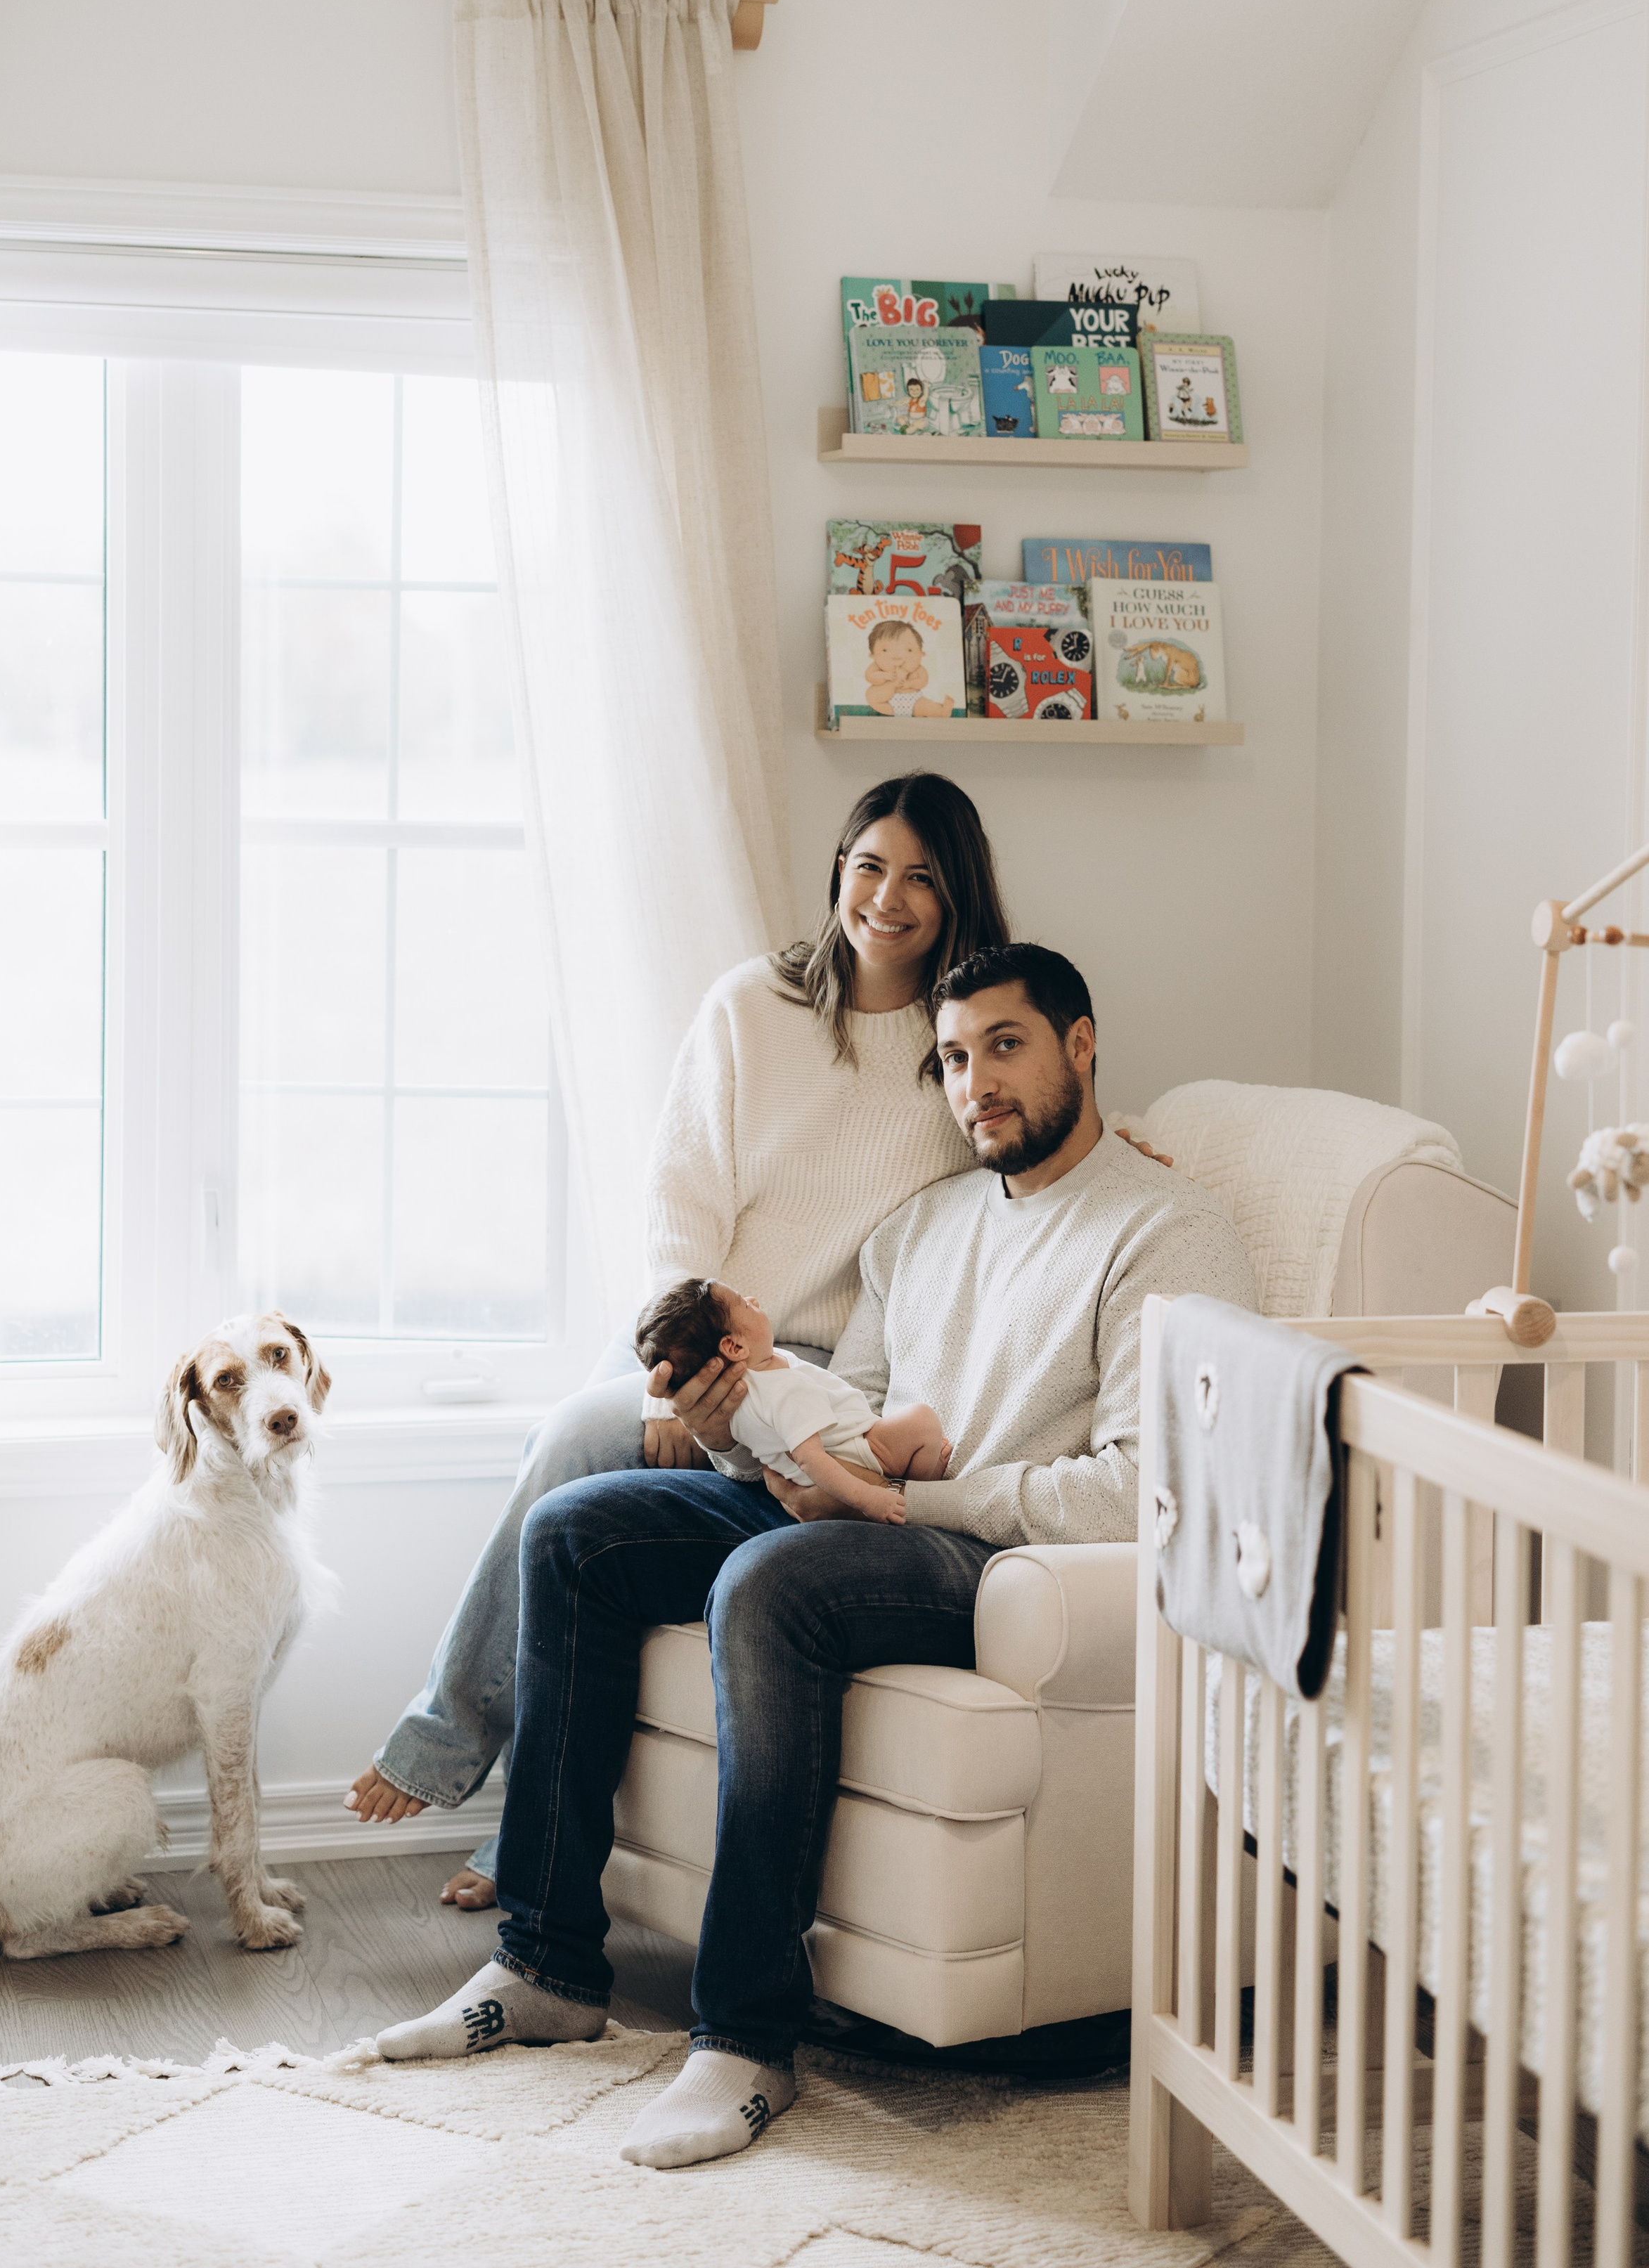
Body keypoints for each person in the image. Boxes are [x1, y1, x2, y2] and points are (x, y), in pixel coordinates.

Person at [372, 942, 1257, 2172]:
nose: (976, 1083)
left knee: (769, 1582)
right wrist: (765, 1444)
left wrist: (921, 1500)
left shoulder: (1166, 1231)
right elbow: (861, 1404)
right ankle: (547, 1961)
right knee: (579, 1532)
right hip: (867, 1509)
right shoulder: (922, 1230)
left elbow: (1141, 1490)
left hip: (989, 1563)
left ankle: (744, 2038)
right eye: (953, 1057)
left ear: (1082, 1043)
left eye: (1005, 1045)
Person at [342, 773, 1011, 1903]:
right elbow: (680, 1199)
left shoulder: (955, 1049)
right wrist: (665, 1384)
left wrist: (1124, 1143)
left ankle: (479, 1789)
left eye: (921, 878)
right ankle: (470, 1769)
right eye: (868, 866)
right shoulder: (754, 1005)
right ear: (838, 867)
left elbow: (1023, 1127)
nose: (886, 899)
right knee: (570, 1442)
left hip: (815, 1375)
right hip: (697, 1325)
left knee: (566, 1461)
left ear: (958, 897)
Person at [635, 1276, 950, 1522]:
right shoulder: (782, 1390)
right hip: (859, 1452)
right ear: (734, 1348)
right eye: (745, 1306)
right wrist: (871, 1498)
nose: (753, 1300)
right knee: (922, 1421)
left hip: (818, 1474)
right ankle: (925, 1484)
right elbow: (810, 1459)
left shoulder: (745, 1388)